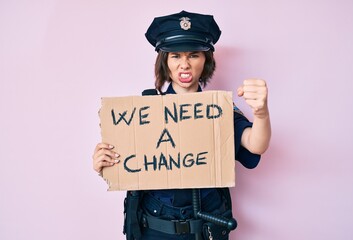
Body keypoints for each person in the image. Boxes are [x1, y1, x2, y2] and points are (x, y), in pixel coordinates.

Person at [92, 10, 271, 240]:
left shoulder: (217, 110)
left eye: (193, 55)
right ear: (165, 62)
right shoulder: (143, 112)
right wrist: (103, 164)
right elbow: (126, 166)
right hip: (154, 227)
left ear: (205, 60)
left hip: (206, 224)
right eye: (175, 56)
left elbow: (254, 144)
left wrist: (262, 113)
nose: (184, 65)